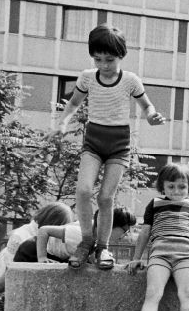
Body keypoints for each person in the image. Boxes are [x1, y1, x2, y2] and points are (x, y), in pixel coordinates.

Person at [53, 23, 166, 271]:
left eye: (110, 60)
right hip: (93, 140)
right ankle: (86, 240)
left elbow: (147, 106)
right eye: (98, 59)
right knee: (83, 191)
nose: (103, 65)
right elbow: (73, 104)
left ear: (121, 56)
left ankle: (103, 247)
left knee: (106, 197)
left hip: (118, 144)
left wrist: (151, 116)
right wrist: (62, 122)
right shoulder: (87, 78)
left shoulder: (130, 81)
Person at [126, 163, 189, 311]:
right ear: (162, 187)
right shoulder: (154, 204)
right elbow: (145, 232)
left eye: (182, 186)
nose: (176, 191)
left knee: (186, 294)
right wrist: (136, 258)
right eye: (171, 187)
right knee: (153, 292)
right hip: (159, 255)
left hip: (185, 257)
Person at [32, 207, 137, 265]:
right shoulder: (81, 232)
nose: (125, 235)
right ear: (111, 225)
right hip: (34, 250)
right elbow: (43, 230)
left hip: (58, 255)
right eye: (125, 230)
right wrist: (41, 257)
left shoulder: (99, 236)